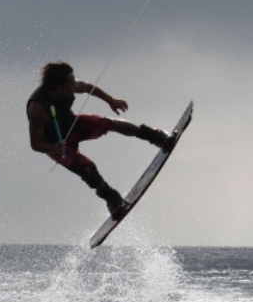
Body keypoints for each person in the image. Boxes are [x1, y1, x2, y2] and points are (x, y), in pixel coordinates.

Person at [27, 61, 175, 220]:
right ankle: (112, 200)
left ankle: (156, 136)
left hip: (72, 125)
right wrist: (54, 147)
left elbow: (88, 87)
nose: (74, 85)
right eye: (70, 83)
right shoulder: (38, 109)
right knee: (87, 168)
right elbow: (35, 144)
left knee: (107, 124)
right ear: (58, 87)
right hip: (55, 145)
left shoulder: (69, 87)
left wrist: (111, 100)